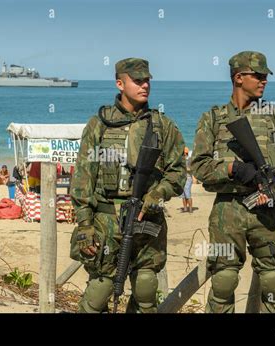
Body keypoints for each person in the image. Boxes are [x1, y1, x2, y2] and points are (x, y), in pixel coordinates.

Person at [70, 57, 186, 313]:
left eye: (147, 80)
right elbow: (83, 177)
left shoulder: (162, 126)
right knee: (99, 292)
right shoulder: (99, 124)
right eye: (138, 80)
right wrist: (85, 223)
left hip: (147, 220)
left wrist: (158, 192)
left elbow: (178, 171)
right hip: (106, 220)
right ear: (120, 83)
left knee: (146, 288)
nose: (145, 85)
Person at [191, 51, 275, 313]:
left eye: (265, 76)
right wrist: (232, 168)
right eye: (259, 75)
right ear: (239, 78)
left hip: (268, 213)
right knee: (223, 280)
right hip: (227, 212)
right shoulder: (213, 118)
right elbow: (198, 166)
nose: (264, 81)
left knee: (274, 281)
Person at [181, 147, 193, 213]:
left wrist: (184, 169)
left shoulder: (189, 160)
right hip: (182, 179)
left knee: (187, 194)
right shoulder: (182, 160)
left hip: (188, 178)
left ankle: (190, 209)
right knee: (183, 195)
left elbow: (191, 169)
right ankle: (185, 208)